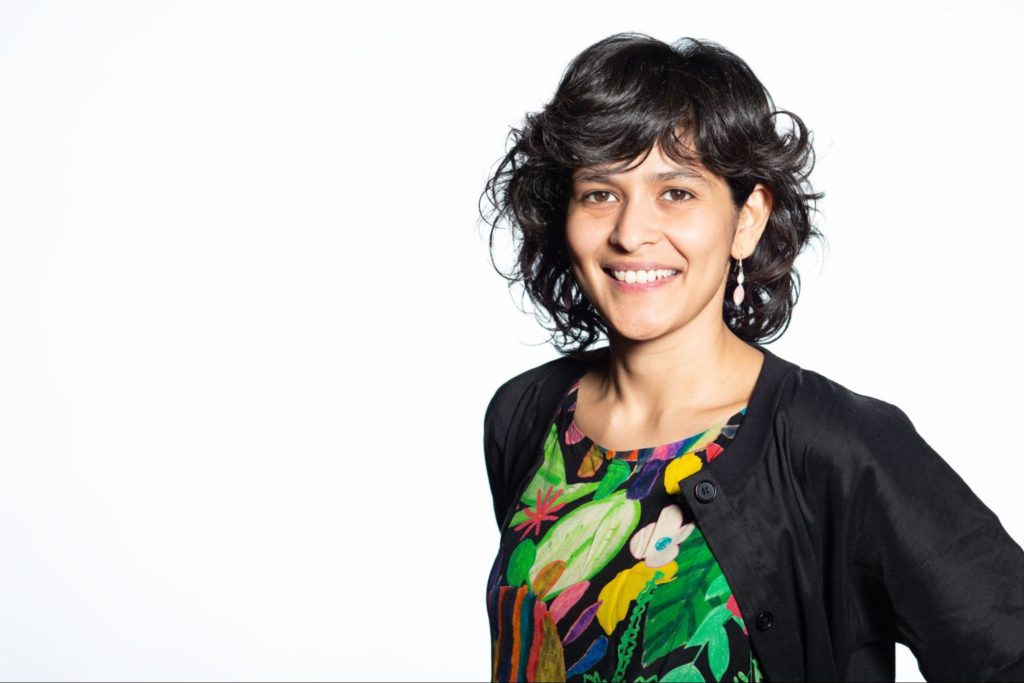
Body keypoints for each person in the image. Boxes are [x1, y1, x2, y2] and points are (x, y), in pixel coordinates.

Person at [478, 32, 1024, 683]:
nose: (630, 232)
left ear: (746, 219)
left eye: (675, 192)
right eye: (600, 192)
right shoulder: (528, 413)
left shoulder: (837, 446)